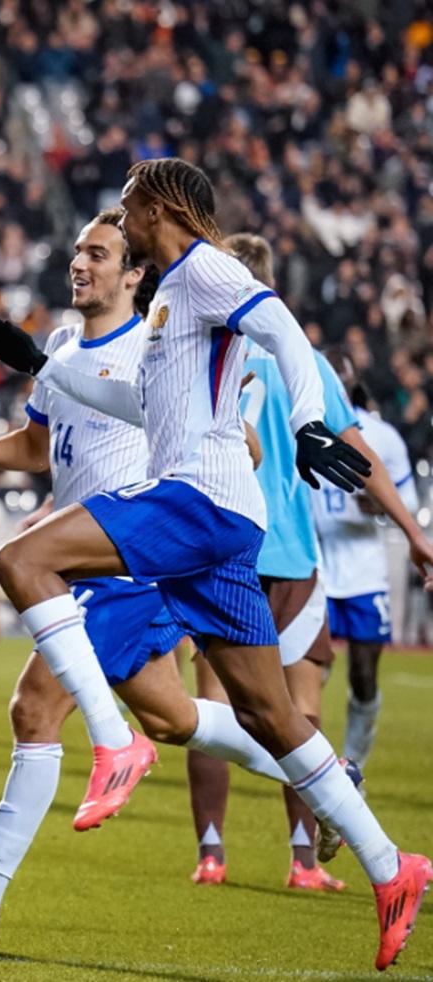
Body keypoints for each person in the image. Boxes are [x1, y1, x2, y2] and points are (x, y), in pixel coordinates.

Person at [0, 157, 431, 971]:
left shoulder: (205, 268)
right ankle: (395, 868)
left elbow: (284, 328)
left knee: (22, 557)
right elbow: (141, 403)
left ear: (160, 207)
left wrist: (312, 417)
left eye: (126, 206)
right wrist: (42, 365)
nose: (121, 217)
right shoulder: (172, 297)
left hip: (197, 500)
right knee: (273, 718)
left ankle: (115, 744)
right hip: (222, 522)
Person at [0, 210, 295, 945]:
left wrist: (231, 445)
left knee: (33, 707)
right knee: (174, 720)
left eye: (99, 253)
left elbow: (235, 436)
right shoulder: (59, 346)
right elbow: (44, 446)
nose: (80, 264)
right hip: (82, 559)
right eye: (77, 251)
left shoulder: (156, 344)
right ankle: (316, 770)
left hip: (127, 566)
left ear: (135, 272)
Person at [186, 232, 433, 890]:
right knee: (301, 707)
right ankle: (302, 862)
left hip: (220, 551)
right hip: (293, 557)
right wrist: (412, 530)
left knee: (211, 706)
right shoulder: (307, 361)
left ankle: (211, 853)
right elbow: (359, 456)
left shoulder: (207, 348)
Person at [313, 349, 419, 770]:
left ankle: (353, 765)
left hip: (362, 570)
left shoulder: (380, 435)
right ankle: (313, 768)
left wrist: (378, 505)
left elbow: (407, 497)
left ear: (350, 382)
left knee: (363, 672)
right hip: (315, 566)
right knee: (308, 669)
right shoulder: (300, 425)